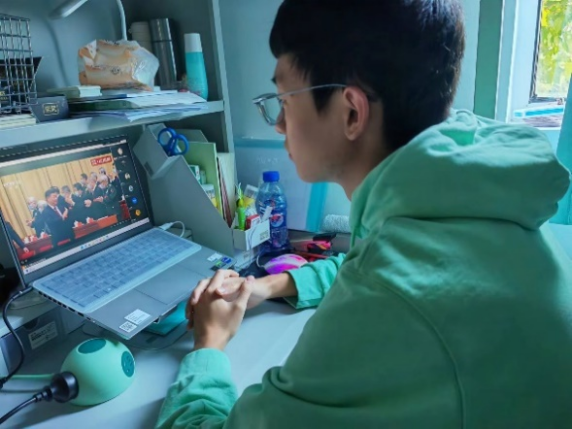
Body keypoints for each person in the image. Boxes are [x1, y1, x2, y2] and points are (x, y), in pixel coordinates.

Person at [157, 1, 572, 428]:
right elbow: (383, 267)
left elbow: (385, 283)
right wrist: (264, 286)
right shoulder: (469, 200)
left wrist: (209, 345)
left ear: (352, 112)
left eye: (284, 100)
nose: (279, 123)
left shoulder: (387, 292)